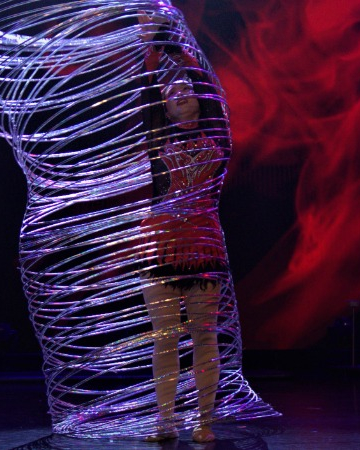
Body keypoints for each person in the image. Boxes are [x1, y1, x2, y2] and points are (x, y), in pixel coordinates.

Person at [137, 13, 230, 443]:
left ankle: (205, 422)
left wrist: (177, 48)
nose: (181, 95)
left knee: (205, 337)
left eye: (187, 91)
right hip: (160, 247)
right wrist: (153, 45)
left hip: (205, 247)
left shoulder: (217, 136)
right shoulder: (156, 140)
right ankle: (165, 420)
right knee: (165, 341)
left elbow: (208, 89)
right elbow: (145, 94)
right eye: (172, 94)